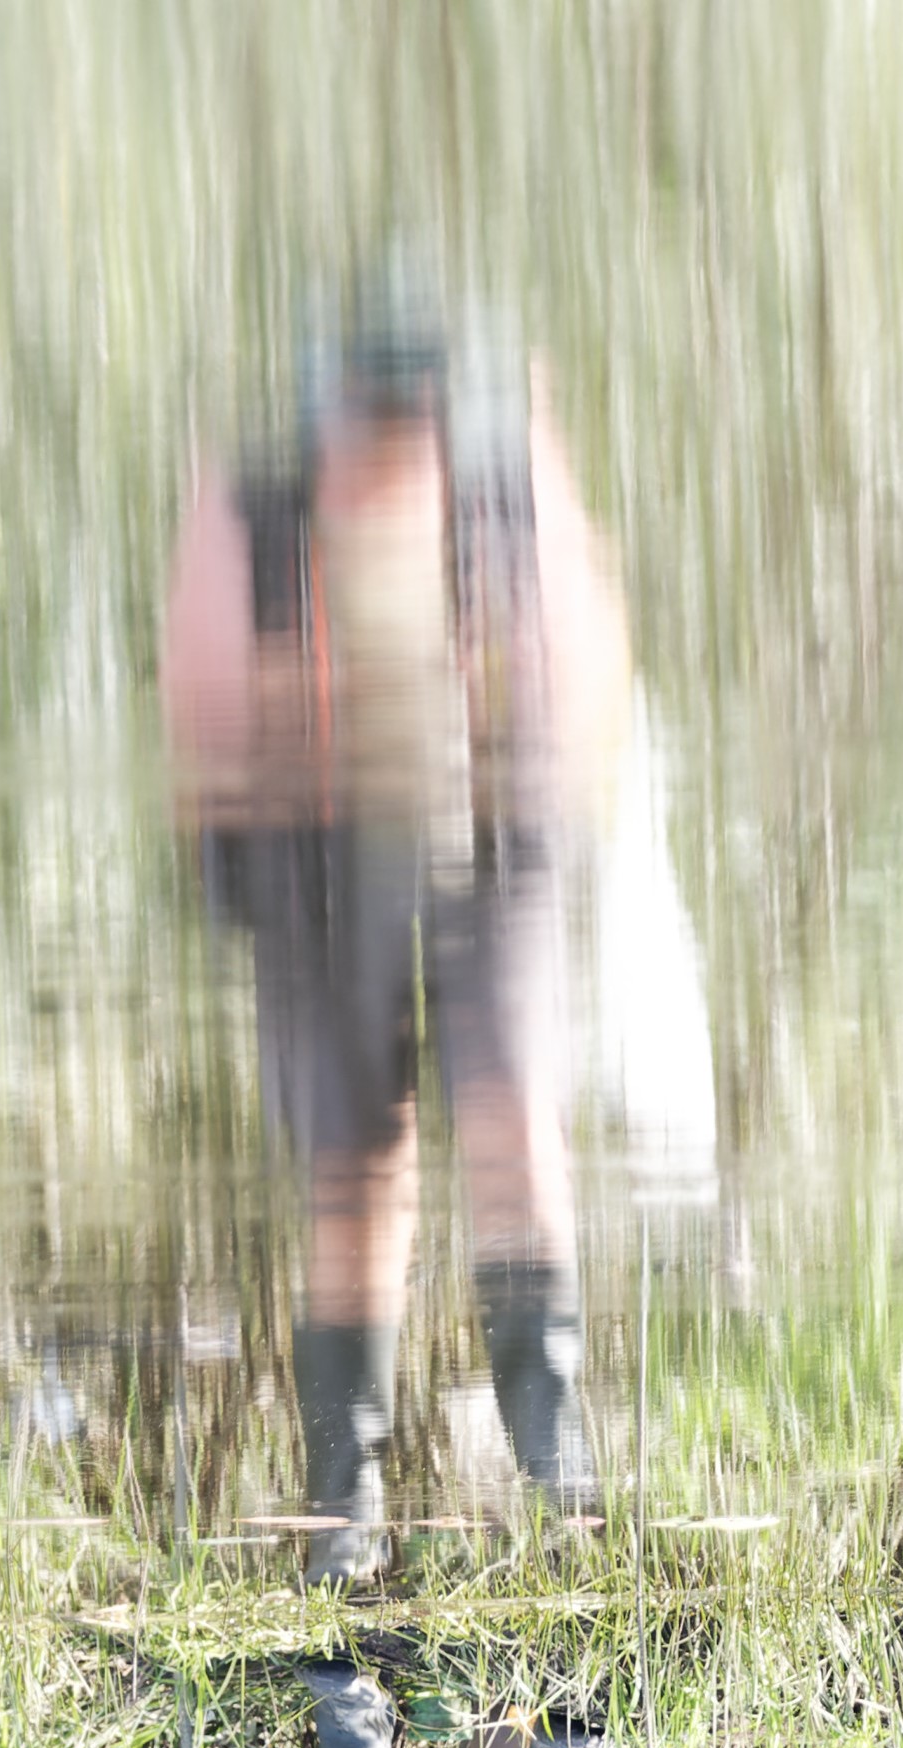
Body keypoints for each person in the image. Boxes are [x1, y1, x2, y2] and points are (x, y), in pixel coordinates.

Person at [161, 277, 631, 1585]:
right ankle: (345, 1502)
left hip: (493, 818)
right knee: (353, 1165)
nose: (393, 447)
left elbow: (584, 654)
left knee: (514, 1110)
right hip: (308, 838)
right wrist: (237, 827)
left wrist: (550, 780)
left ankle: (557, 1467)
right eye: (374, 423)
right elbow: (204, 681)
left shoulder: (501, 464)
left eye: (413, 422)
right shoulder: (258, 481)